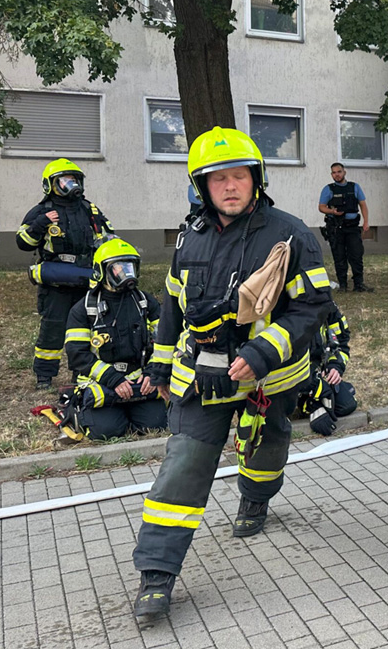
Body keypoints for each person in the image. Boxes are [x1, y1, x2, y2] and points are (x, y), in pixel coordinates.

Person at [131, 127, 332, 618]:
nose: (230, 186)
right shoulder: (189, 236)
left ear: (255, 179)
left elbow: (313, 308)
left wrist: (263, 352)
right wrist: (159, 360)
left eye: (239, 176)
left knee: (268, 441)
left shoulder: (290, 233)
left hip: (266, 376)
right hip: (202, 377)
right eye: (217, 179)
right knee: (183, 466)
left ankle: (256, 498)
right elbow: (173, 305)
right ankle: (157, 574)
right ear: (202, 186)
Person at [17, 159, 114, 390]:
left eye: (74, 180)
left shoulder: (89, 209)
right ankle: (44, 376)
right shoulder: (41, 211)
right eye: (64, 181)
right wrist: (40, 224)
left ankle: (81, 371)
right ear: (50, 185)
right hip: (56, 282)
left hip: (86, 279)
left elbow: (108, 235)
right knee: (53, 327)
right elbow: (23, 242)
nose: (70, 185)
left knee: (87, 328)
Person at [63, 239, 166, 439]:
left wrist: (153, 372)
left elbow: (164, 343)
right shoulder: (83, 309)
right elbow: (78, 355)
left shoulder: (145, 303)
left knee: (156, 425)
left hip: (139, 379)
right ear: (101, 271)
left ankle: (132, 410)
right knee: (106, 432)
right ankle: (77, 407)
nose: (126, 273)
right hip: (102, 381)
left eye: (130, 267)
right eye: (118, 268)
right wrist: (113, 379)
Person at [298, 300, 356, 436]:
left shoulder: (327, 305)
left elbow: (342, 341)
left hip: (320, 368)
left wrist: (335, 367)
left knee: (347, 405)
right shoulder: (287, 307)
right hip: (292, 375)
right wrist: (312, 383)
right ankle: (307, 402)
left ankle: (318, 396)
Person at [318, 163, 372, 292]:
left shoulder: (354, 187)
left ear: (344, 172)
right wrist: (332, 212)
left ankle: (359, 284)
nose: (336, 175)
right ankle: (343, 285)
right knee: (339, 256)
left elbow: (363, 205)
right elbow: (321, 207)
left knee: (356, 255)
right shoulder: (328, 189)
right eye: (334, 173)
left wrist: (366, 222)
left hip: (352, 227)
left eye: (339, 172)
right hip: (336, 228)